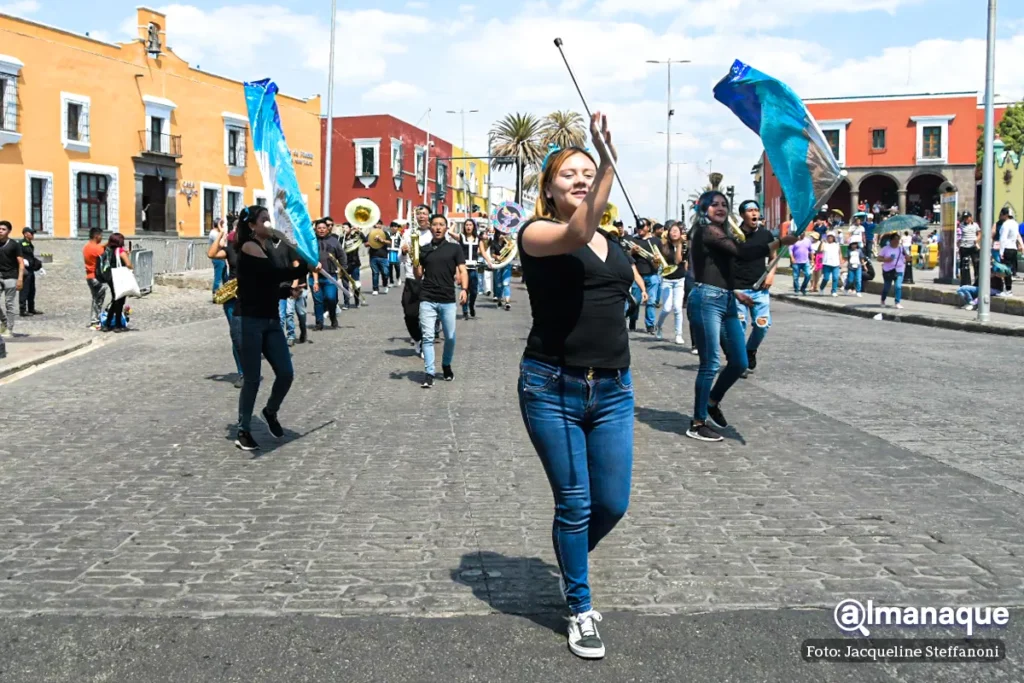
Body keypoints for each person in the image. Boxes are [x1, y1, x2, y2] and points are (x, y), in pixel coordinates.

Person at [517, 113, 632, 659]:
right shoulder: (538, 234)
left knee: (613, 503)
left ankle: (570, 564)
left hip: (613, 390)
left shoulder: (613, 240)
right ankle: (580, 608)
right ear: (548, 188)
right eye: (569, 174)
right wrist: (609, 162)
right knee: (577, 503)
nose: (581, 179)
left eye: (588, 171)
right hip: (552, 388)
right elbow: (577, 232)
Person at [685, 191, 797, 443]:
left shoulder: (722, 234)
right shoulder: (706, 231)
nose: (720, 207)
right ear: (703, 209)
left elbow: (727, 265)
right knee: (710, 363)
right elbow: (744, 252)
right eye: (714, 204)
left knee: (739, 361)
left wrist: (735, 292)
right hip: (706, 300)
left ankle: (712, 401)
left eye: (724, 204)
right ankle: (697, 422)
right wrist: (780, 241)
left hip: (726, 299)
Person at [234, 205, 320, 451]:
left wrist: (286, 290)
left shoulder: (267, 247)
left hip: (270, 319)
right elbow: (273, 274)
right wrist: (306, 264)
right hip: (249, 319)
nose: (269, 223)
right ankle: (244, 430)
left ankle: (270, 411)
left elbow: (264, 284)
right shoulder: (249, 246)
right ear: (252, 226)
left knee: (286, 373)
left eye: (269, 219)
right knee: (252, 379)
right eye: (264, 220)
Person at [415, 214, 468, 388]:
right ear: (430, 227)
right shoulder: (423, 249)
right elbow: (419, 275)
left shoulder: (455, 248)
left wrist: (464, 289)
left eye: (441, 225)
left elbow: (463, 270)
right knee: (428, 337)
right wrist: (415, 260)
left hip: (447, 299)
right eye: (435, 225)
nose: (438, 228)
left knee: (450, 338)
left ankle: (446, 365)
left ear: (446, 228)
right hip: (427, 298)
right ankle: (429, 372)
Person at [731, 200, 777, 377]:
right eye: (750, 211)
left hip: (760, 288)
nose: (754, 214)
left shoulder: (765, 235)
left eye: (756, 210)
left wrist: (771, 274)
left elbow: (774, 256)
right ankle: (741, 361)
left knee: (762, 325)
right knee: (739, 326)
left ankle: (750, 349)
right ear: (742, 215)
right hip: (738, 289)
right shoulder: (732, 235)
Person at [208, 220, 245, 388]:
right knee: (236, 334)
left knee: (250, 334)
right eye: (236, 228)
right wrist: (221, 233)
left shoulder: (258, 248)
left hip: (251, 295)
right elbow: (212, 253)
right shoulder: (231, 248)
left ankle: (251, 368)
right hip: (231, 295)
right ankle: (242, 372)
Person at [401, 206, 434, 357]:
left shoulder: (434, 233)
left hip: (430, 279)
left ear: (429, 216)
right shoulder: (408, 233)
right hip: (411, 277)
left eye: (424, 214)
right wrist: (403, 251)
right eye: (419, 214)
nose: (422, 216)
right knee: (410, 314)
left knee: (428, 315)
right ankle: (417, 338)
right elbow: (400, 258)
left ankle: (427, 344)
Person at [655, 222, 687, 345]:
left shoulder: (684, 246)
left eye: (676, 231)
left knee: (678, 308)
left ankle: (678, 334)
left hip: (680, 280)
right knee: (667, 308)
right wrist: (656, 260)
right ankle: (658, 326)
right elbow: (657, 263)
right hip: (667, 280)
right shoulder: (663, 245)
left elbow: (678, 261)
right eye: (672, 230)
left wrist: (679, 245)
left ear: (680, 233)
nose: (673, 232)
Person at [310, 218, 345, 330]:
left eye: (323, 228)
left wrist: (343, 269)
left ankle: (333, 317)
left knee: (331, 298)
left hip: (330, 275)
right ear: (315, 229)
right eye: (319, 228)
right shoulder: (311, 241)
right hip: (314, 275)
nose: (321, 230)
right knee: (318, 301)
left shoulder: (334, 241)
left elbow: (342, 255)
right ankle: (319, 323)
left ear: (327, 229)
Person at [101, 233, 133, 333]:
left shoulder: (108, 250)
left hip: (110, 276)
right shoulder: (120, 251)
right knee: (119, 301)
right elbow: (128, 264)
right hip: (119, 277)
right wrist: (131, 267)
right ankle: (117, 325)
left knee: (116, 299)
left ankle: (108, 324)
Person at [0, 220, 24, 338]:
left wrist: (20, 279)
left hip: (11, 277)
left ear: (9, 231)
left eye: (3, 229)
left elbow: (21, 262)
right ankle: (4, 322)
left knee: (9, 303)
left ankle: (9, 328)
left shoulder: (14, 244)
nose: (0, 231)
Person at [82, 227, 108, 330]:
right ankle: (95, 321)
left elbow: (101, 247)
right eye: (101, 236)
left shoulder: (87, 247)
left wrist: (107, 243)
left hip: (89, 276)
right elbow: (104, 253)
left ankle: (95, 320)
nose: (102, 238)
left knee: (95, 298)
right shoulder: (97, 249)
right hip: (96, 278)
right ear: (96, 236)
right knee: (98, 300)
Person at [457, 218, 481, 320]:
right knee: (465, 290)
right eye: (466, 225)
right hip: (464, 268)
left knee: (474, 291)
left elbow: (482, 251)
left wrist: (489, 261)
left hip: (473, 268)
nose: (468, 227)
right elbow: (449, 233)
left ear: (473, 227)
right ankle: (465, 311)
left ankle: (471, 305)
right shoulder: (461, 237)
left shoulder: (477, 239)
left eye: (470, 225)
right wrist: (454, 223)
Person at [18, 227, 42, 316]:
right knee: (24, 290)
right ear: (25, 234)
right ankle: (22, 310)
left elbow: (30, 256)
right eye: (31, 233)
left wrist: (38, 264)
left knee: (32, 290)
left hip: (31, 270)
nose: (33, 235)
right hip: (25, 270)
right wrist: (23, 263)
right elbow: (18, 256)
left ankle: (31, 309)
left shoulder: (29, 244)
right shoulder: (21, 243)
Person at [879, 232, 906, 309]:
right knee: (887, 287)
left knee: (898, 286)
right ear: (891, 240)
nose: (897, 241)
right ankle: (883, 299)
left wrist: (908, 257)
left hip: (899, 270)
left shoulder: (901, 248)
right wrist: (886, 259)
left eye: (898, 239)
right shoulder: (885, 249)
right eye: (895, 239)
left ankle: (897, 302)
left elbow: (906, 257)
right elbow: (879, 258)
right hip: (888, 270)